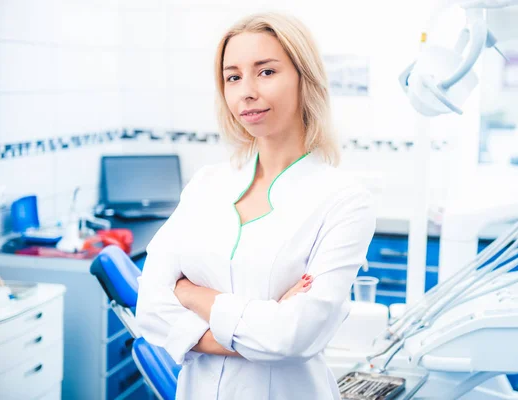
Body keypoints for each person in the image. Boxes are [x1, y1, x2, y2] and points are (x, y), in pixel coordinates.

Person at [135, 11, 376, 400]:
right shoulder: (205, 186)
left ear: (304, 78)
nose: (246, 91)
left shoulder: (344, 201)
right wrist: (265, 332)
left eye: (266, 72)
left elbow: (295, 336)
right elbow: (149, 306)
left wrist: (194, 296)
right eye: (233, 77)